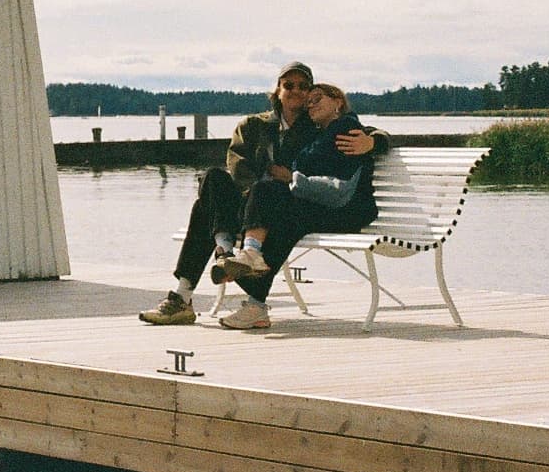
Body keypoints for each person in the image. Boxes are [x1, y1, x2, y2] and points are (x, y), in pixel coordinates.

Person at [139, 65, 379, 325]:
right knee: (213, 178)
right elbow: (237, 168)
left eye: (303, 86)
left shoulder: (317, 126)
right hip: (253, 201)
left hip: (284, 203)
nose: (296, 91)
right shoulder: (253, 125)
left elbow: (363, 130)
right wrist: (251, 199)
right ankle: (222, 258)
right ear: (278, 90)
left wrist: (374, 142)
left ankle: (189, 294)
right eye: (289, 85)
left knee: (216, 210)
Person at [212, 82, 378, 330]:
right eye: (308, 103)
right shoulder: (323, 132)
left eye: (317, 98)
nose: (311, 105)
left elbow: (337, 185)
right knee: (282, 217)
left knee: (269, 194)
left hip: (349, 210)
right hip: (326, 205)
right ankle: (255, 297)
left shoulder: (346, 128)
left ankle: (251, 260)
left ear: (338, 101)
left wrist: (293, 178)